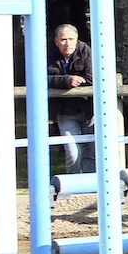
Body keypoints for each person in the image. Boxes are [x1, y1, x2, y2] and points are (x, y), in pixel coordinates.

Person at [46, 23, 95, 175]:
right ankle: (73, 185)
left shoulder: (86, 52)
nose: (67, 43)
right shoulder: (48, 54)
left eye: (71, 39)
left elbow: (93, 77)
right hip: (65, 112)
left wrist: (79, 81)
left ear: (77, 39)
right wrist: (67, 81)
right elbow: (41, 77)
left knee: (90, 152)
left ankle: (90, 186)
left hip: (89, 111)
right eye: (63, 40)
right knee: (73, 152)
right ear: (56, 41)